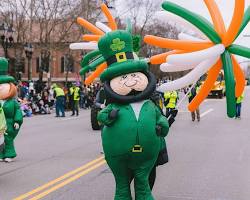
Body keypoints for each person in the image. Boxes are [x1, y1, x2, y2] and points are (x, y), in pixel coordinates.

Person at [95, 30, 170, 200]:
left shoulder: (151, 101)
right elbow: (101, 116)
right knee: (122, 186)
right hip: (119, 155)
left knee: (144, 183)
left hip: (148, 153)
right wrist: (109, 116)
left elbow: (160, 118)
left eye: (134, 75)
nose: (130, 80)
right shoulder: (113, 104)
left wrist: (163, 125)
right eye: (123, 77)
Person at [0, 57, 23, 162]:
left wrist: (17, 121)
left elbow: (18, 111)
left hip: (8, 123)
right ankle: (0, 154)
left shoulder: (12, 102)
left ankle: (9, 153)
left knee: (8, 139)